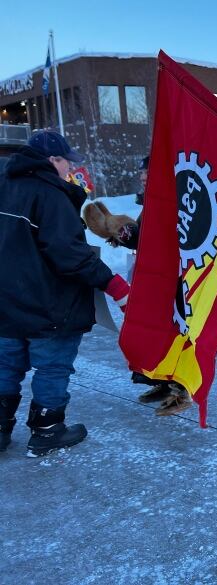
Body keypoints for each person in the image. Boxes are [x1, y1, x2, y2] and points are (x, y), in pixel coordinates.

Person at [0, 130, 130, 456]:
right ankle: (47, 430)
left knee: (5, 366)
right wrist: (114, 285)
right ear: (51, 160)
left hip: (5, 303)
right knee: (52, 366)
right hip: (48, 304)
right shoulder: (49, 194)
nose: (68, 170)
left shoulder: (4, 186)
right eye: (65, 162)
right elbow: (69, 254)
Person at [83, 155, 192, 416]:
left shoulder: (173, 200)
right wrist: (117, 233)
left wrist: (121, 232)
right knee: (154, 332)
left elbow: (163, 241)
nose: (142, 176)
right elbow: (145, 240)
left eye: (147, 171)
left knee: (175, 333)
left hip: (175, 280)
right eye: (142, 172)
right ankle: (162, 382)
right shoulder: (152, 201)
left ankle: (183, 389)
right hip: (155, 280)